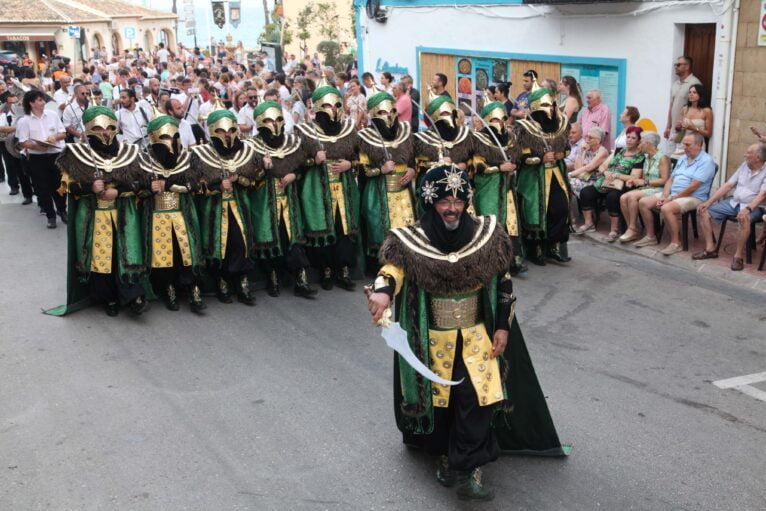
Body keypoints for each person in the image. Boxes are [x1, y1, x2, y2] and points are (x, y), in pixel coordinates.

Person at [366, 164, 567, 501]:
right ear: (430, 202)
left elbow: (504, 282)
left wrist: (502, 326)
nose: (452, 208)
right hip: (433, 340)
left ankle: (466, 469)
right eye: (444, 200)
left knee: (476, 399)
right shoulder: (410, 239)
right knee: (443, 405)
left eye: (459, 200)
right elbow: (392, 269)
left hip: (477, 337)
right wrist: (383, 291)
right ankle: (448, 458)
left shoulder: (486, 234)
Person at [53, 106, 148, 316]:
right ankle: (108, 298)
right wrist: (89, 188)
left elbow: (140, 182)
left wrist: (119, 191)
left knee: (126, 253)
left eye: (109, 127)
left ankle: (133, 295)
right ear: (87, 129)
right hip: (92, 215)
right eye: (98, 127)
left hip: (124, 213)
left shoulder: (129, 152)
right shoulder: (76, 154)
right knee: (100, 256)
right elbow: (68, 186)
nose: (105, 132)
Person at [249, 100, 320, 298]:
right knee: (271, 238)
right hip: (265, 201)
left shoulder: (291, 143)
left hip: (289, 198)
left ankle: (301, 280)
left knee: (293, 238)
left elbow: (300, 166)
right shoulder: (253, 146)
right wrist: (264, 169)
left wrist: (293, 175)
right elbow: (249, 179)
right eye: (270, 121)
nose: (275, 125)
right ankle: (272, 277)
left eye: (279, 119)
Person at [191, 109, 263, 305]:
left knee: (241, 243)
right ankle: (221, 281)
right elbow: (196, 185)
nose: (227, 134)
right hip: (214, 209)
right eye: (222, 131)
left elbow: (257, 179)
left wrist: (239, 179)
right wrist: (216, 186)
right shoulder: (201, 153)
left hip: (240, 206)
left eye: (231, 129)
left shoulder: (246, 151)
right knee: (219, 246)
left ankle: (242, 283)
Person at [295, 80, 361, 291]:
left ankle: (343, 269)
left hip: (344, 186)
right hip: (317, 188)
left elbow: (360, 156)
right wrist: (313, 160)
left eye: (336, 105)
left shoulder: (349, 129)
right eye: (327, 106)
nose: (332, 110)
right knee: (322, 229)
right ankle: (325, 270)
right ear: (317, 107)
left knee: (343, 229)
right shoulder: (305, 131)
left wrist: (350, 164)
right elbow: (295, 162)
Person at [138, 115, 206, 312]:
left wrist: (169, 185)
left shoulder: (187, 158)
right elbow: (136, 189)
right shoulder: (144, 160)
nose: (171, 142)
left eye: (174, 136)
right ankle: (169, 290)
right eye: (165, 137)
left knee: (186, 253)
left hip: (181, 214)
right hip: (156, 215)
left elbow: (195, 184)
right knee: (163, 257)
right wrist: (149, 187)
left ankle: (193, 290)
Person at [514, 84, 571, 264]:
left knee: (560, 207)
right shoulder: (524, 127)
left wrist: (563, 154)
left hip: (556, 174)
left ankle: (553, 246)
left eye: (552, 105)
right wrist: (539, 158)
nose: (551, 109)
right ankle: (535, 249)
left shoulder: (561, 124)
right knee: (536, 212)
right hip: (533, 177)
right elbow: (519, 155)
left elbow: (567, 146)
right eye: (546, 106)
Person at [357, 90, 416, 260]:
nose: (388, 116)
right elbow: (364, 170)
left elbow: (413, 159)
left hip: (404, 191)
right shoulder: (365, 137)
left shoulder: (405, 131)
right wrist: (381, 170)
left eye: (391, 111)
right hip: (378, 191)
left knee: (407, 228)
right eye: (383, 112)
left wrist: (412, 170)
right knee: (379, 228)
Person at [636, 133, 716, 255]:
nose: (685, 147)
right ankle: (651, 236)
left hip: (694, 197)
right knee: (643, 202)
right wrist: (665, 195)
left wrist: (672, 198)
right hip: (674, 194)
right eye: (684, 144)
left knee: (666, 208)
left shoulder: (706, 161)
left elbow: (693, 187)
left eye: (688, 144)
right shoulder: (683, 158)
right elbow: (670, 180)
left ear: (699, 145)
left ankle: (676, 243)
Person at [468, 101, 525, 273]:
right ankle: (490, 261)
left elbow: (516, 157)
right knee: (490, 221)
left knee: (511, 222)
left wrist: (513, 164)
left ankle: (512, 260)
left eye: (503, 119)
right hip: (488, 189)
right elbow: (477, 165)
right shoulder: (478, 138)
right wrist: (499, 168)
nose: (500, 123)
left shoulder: (510, 138)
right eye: (495, 119)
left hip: (506, 188)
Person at [693, 143, 766, 270]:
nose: (745, 155)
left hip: (756, 206)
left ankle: (738, 257)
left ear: (758, 158)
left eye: (748, 153)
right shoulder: (744, 166)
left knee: (745, 219)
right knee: (704, 211)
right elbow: (728, 185)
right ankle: (710, 249)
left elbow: (763, 195)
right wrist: (709, 202)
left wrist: (748, 209)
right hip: (735, 202)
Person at [577, 126, 644, 241]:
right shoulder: (619, 150)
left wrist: (617, 175)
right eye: (628, 137)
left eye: (633, 138)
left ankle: (615, 229)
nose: (629, 140)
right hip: (606, 180)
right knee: (586, 192)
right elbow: (604, 165)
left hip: (622, 184)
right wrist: (605, 171)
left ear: (639, 141)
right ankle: (589, 223)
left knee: (612, 197)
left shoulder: (639, 157)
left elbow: (634, 177)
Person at [16, 89, 67, 228]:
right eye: (39, 100)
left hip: (55, 155)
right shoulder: (24, 121)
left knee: (59, 184)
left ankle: (62, 210)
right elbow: (23, 142)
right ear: (31, 103)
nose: (43, 102)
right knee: (42, 188)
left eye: (43, 99)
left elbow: (63, 133)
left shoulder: (53, 115)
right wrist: (38, 146)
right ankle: (50, 215)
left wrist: (54, 137)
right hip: (36, 158)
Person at [618, 131, 670, 243]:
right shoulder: (647, 157)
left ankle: (633, 230)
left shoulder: (662, 158)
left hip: (659, 189)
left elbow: (664, 180)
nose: (639, 144)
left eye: (641, 141)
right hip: (647, 188)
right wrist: (634, 181)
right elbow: (642, 178)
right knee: (623, 197)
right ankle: (631, 229)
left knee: (631, 197)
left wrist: (645, 182)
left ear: (648, 143)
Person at [415, 91, 473, 183]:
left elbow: (472, 159)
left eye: (452, 113)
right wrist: (439, 163)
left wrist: (464, 164)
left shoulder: (465, 136)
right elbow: (418, 167)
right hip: (434, 184)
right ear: (435, 116)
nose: (449, 117)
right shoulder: (423, 140)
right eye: (445, 113)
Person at [664, 56, 701, 153]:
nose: (676, 67)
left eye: (679, 64)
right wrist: (668, 126)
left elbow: (697, 106)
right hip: (673, 130)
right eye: (675, 65)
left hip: (686, 131)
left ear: (687, 66)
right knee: (668, 159)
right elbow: (671, 106)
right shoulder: (675, 84)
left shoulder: (694, 83)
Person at [0, 92, 33, 201]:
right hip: (8, 144)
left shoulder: (24, 112)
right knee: (13, 166)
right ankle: (19, 190)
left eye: (16, 102)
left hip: (25, 143)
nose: (15, 104)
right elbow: (2, 128)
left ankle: (36, 194)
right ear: (7, 103)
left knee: (29, 169)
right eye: (12, 102)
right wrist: (18, 127)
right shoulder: (3, 113)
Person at [670, 83, 713, 161]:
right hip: (683, 143)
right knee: (674, 162)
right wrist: (678, 126)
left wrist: (693, 128)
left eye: (694, 92)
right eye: (690, 92)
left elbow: (708, 133)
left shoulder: (706, 111)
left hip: (697, 144)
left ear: (700, 94)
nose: (691, 94)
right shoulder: (685, 109)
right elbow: (677, 129)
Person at [568, 127, 609, 198]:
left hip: (595, 181)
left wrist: (570, 174)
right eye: (586, 136)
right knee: (562, 183)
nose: (587, 139)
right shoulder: (587, 148)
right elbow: (577, 167)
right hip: (583, 178)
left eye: (590, 137)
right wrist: (582, 151)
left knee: (565, 182)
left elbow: (588, 168)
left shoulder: (602, 151)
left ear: (598, 141)